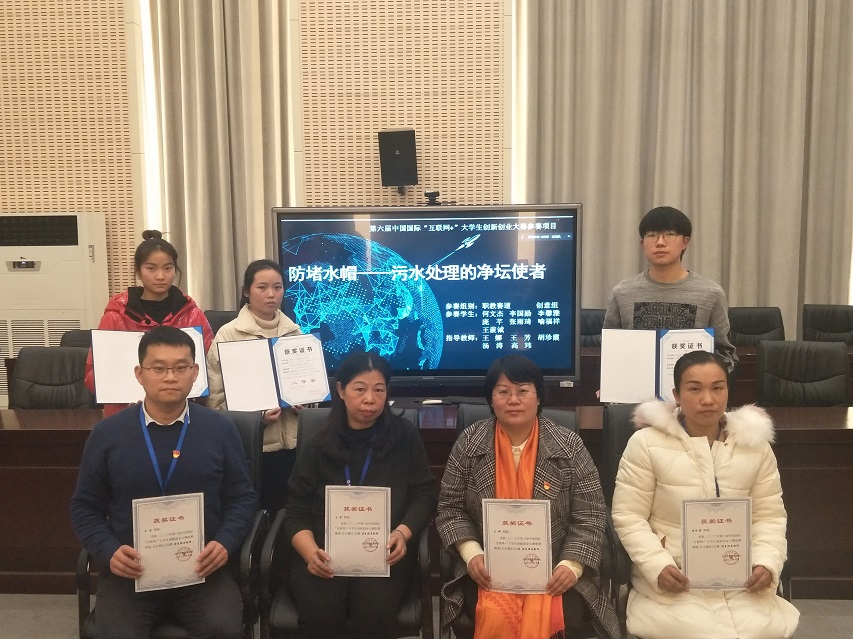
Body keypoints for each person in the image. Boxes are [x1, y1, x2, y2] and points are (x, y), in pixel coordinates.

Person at [70, 326, 257, 639]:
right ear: (139, 374)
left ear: (195, 373)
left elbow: (242, 498)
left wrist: (225, 542)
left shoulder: (220, 429)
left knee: (222, 629)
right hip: (132, 573)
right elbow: (84, 507)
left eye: (181, 368)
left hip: (202, 570)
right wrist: (109, 551)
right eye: (159, 368)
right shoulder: (107, 434)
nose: (170, 377)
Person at [611, 350, 800, 639]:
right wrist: (657, 565)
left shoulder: (755, 446)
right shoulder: (646, 444)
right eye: (695, 389)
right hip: (674, 582)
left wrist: (766, 562)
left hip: (742, 580)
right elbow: (629, 516)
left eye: (717, 388)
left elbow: (769, 516)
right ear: (677, 394)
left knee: (760, 630)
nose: (708, 399)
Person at [437, 354, 620, 639]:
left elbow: (591, 515)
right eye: (503, 392)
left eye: (523, 391)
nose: (513, 400)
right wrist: (472, 553)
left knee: (564, 617)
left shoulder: (568, 445)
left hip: (555, 570)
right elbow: (450, 509)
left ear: (538, 397)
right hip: (487, 570)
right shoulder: (470, 443)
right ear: (491, 399)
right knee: (492, 612)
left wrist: (572, 565)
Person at [283, 352, 437, 639]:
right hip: (324, 552)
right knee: (320, 614)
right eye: (360, 389)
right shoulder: (317, 443)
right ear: (341, 390)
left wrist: (402, 534)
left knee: (374, 613)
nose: (370, 399)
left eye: (379, 390)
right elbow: (295, 511)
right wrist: (310, 553)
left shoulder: (404, 437)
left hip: (383, 553)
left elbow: (424, 495)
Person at [206, 259, 302, 514]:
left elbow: (309, 387)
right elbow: (215, 401)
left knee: (291, 514)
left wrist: (305, 404)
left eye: (277, 287)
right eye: (262, 287)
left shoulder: (295, 332)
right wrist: (256, 420)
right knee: (254, 515)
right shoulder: (228, 335)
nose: (271, 294)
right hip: (251, 448)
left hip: (294, 445)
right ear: (246, 291)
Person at [85, 230, 214, 416]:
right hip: (127, 413)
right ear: (138, 271)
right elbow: (92, 374)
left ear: (175, 270)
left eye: (168, 268)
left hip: (182, 412)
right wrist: (123, 393)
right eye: (151, 268)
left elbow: (210, 369)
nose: (160, 276)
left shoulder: (193, 315)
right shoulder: (115, 317)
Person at [602, 206, 737, 372]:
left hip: (691, 387)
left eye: (670, 234)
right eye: (652, 235)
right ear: (642, 243)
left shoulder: (711, 294)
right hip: (634, 385)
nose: (660, 242)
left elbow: (726, 353)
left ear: (685, 242)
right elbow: (609, 347)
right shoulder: (622, 293)